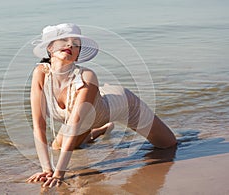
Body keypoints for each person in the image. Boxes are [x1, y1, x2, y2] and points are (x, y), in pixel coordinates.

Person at [26, 23, 177, 187]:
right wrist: (47, 169)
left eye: (76, 44)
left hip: (122, 105)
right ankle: (101, 130)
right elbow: (39, 124)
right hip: (84, 121)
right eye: (63, 40)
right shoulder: (40, 73)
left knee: (168, 145)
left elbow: (74, 125)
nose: (70, 45)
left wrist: (58, 174)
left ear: (77, 55)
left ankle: (101, 125)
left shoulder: (87, 77)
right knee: (57, 147)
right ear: (50, 47)